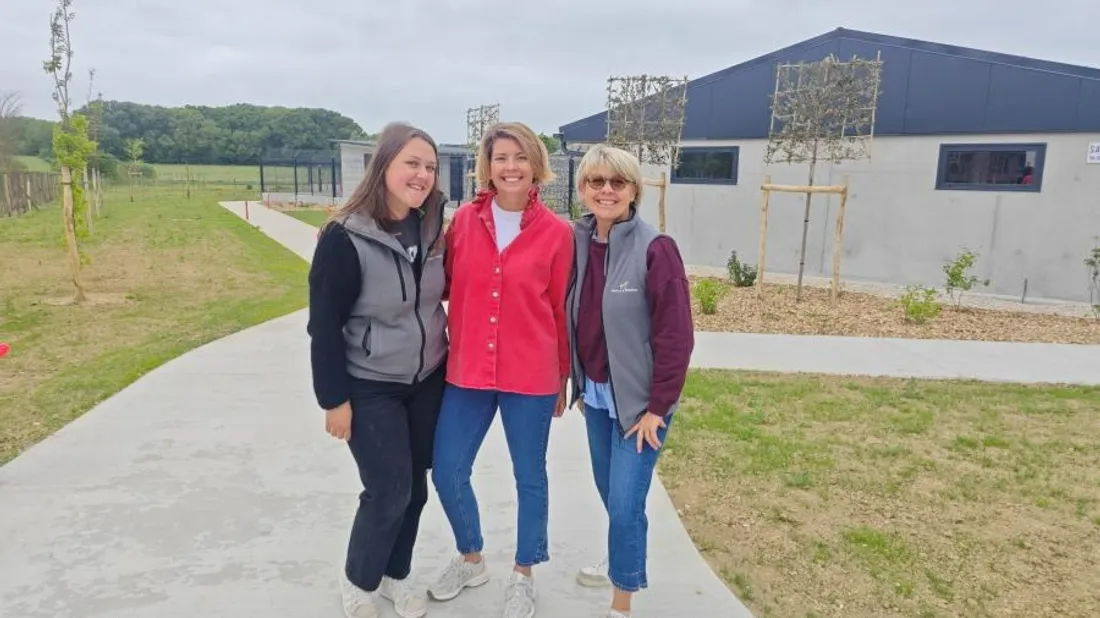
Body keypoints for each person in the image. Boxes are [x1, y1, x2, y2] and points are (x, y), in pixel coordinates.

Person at [427, 121, 574, 618]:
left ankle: (523, 573)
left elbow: (559, 310)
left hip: (530, 375)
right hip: (467, 369)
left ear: (535, 166)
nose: (510, 167)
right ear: (487, 167)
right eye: (500, 158)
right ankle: (472, 557)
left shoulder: (558, 235)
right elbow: (438, 281)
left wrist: (561, 375)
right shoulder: (464, 222)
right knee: (447, 470)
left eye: (520, 158)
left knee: (529, 476)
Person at [307, 121, 450, 618]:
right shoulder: (344, 238)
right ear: (383, 164)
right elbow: (323, 327)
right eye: (412, 163)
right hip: (369, 388)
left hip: (427, 380)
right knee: (387, 490)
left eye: (430, 167)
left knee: (415, 489)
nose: (422, 175)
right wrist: (334, 400)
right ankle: (359, 579)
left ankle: (395, 575)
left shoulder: (431, 226)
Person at [566, 144, 695, 618]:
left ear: (634, 190)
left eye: (616, 182)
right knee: (612, 494)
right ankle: (622, 549)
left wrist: (658, 408)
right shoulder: (578, 241)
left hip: (642, 406)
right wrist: (579, 385)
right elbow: (574, 316)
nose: (606, 190)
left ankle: (621, 603)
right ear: (582, 189)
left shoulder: (655, 248)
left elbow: (676, 336)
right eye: (596, 182)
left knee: (624, 503)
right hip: (598, 399)